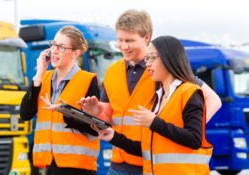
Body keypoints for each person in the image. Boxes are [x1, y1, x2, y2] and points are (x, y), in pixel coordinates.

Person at [80, 9, 220, 175]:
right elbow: (109, 116)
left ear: (147, 37)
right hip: (119, 162)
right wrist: (97, 112)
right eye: (120, 40)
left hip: (152, 163)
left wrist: (183, 131)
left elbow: (213, 100)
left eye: (130, 40)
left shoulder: (165, 70)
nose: (123, 46)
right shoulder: (112, 72)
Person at [99, 35, 213, 175]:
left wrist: (154, 122)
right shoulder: (157, 99)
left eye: (152, 57)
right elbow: (147, 149)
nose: (148, 64)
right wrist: (113, 136)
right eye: (147, 58)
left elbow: (195, 139)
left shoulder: (189, 92)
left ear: (168, 58)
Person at [20, 26, 99, 175]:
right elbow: (25, 114)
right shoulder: (44, 78)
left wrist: (65, 112)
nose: (54, 50)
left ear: (75, 53)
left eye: (61, 47)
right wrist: (38, 76)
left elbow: (94, 128)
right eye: (53, 45)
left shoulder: (87, 80)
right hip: (45, 165)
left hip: (76, 168)